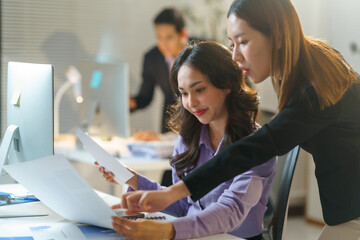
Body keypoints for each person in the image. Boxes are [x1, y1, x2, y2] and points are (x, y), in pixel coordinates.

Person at [119, 0, 360, 239]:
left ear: (276, 35)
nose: (235, 56)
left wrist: (174, 194)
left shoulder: (314, 86)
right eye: (232, 43)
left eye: (243, 42)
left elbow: (258, 147)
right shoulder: (303, 68)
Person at [100, 41, 276, 240]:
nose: (191, 103)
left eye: (199, 90)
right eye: (184, 93)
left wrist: (166, 230)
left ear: (226, 84)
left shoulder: (257, 145)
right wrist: (133, 179)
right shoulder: (189, 138)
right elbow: (183, 205)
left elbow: (231, 211)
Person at [130, 8, 188, 133]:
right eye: (159, 37)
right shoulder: (152, 58)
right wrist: (131, 102)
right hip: (170, 126)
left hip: (201, 123)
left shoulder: (202, 49)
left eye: (169, 37)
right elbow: (145, 97)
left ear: (182, 34)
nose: (163, 44)